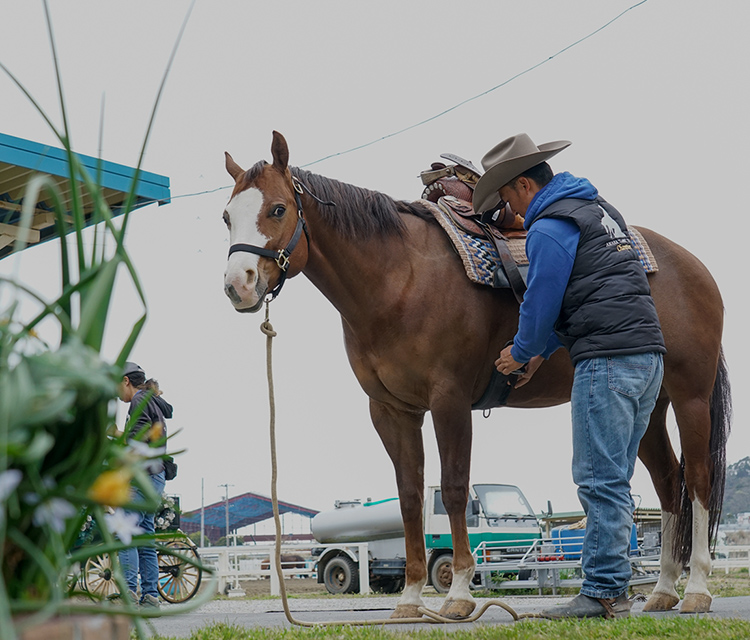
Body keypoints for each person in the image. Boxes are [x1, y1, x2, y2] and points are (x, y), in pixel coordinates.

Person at [473, 133, 666, 619]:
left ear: (523, 184)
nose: (511, 212)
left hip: (607, 362)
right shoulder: (600, 210)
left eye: (509, 199)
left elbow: (542, 299)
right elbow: (598, 292)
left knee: (598, 480)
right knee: (616, 479)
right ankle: (613, 588)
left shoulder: (548, 225)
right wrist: (546, 351)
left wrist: (522, 351)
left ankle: (601, 592)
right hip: (647, 358)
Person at [116, 361, 174, 608]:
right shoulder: (153, 401)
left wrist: (116, 437)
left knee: (126, 531)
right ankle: (150, 595)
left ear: (126, 381)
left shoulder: (139, 400)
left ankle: (128, 593)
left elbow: (137, 441)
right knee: (145, 535)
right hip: (157, 474)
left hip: (141, 474)